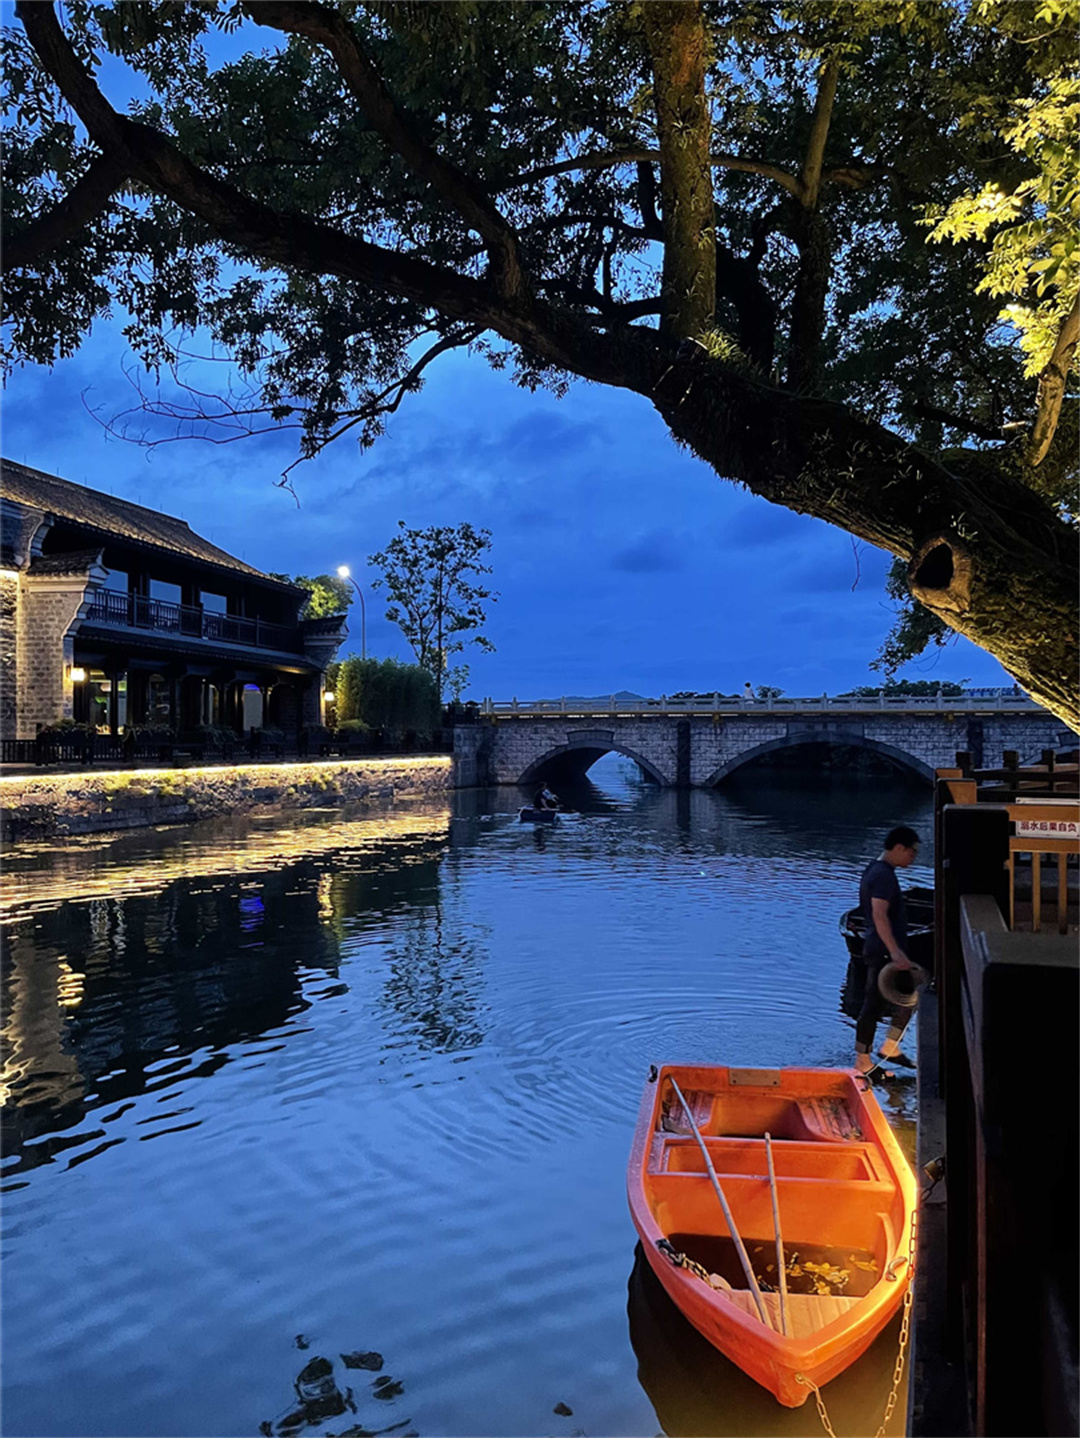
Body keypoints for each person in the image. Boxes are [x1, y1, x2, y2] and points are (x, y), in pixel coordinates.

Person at [855, 825, 922, 1080]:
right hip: (882, 951)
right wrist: (894, 951)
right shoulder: (882, 875)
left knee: (910, 995)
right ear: (899, 848)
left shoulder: (877, 869)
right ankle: (862, 1061)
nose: (912, 858)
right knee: (873, 1003)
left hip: (883, 948)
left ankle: (890, 1046)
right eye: (911, 853)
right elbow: (879, 915)